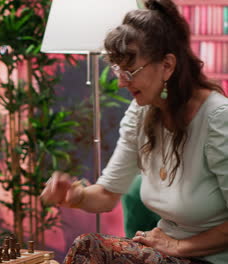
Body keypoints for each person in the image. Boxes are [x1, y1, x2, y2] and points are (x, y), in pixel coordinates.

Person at [41, 0, 228, 263]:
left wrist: (177, 246)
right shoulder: (141, 113)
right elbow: (106, 196)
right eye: (119, 70)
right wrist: (75, 195)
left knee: (90, 247)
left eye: (131, 72)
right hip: (167, 252)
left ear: (167, 66)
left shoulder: (219, 118)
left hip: (210, 258)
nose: (120, 82)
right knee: (90, 247)